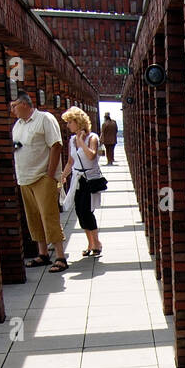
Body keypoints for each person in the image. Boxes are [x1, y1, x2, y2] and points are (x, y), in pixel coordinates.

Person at [11, 91, 68, 272]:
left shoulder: (44, 119)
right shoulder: (17, 125)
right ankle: (43, 253)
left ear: (25, 104)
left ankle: (60, 256)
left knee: (49, 215)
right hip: (24, 178)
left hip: (43, 176)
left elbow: (56, 145)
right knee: (33, 218)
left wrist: (50, 175)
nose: (12, 109)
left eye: (14, 105)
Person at [62, 106, 105, 258]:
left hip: (90, 179)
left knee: (87, 211)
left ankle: (97, 242)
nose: (67, 125)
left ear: (77, 122)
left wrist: (81, 141)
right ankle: (90, 242)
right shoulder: (71, 140)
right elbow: (70, 161)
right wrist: (63, 175)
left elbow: (92, 156)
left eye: (69, 122)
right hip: (77, 178)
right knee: (80, 212)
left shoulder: (92, 138)